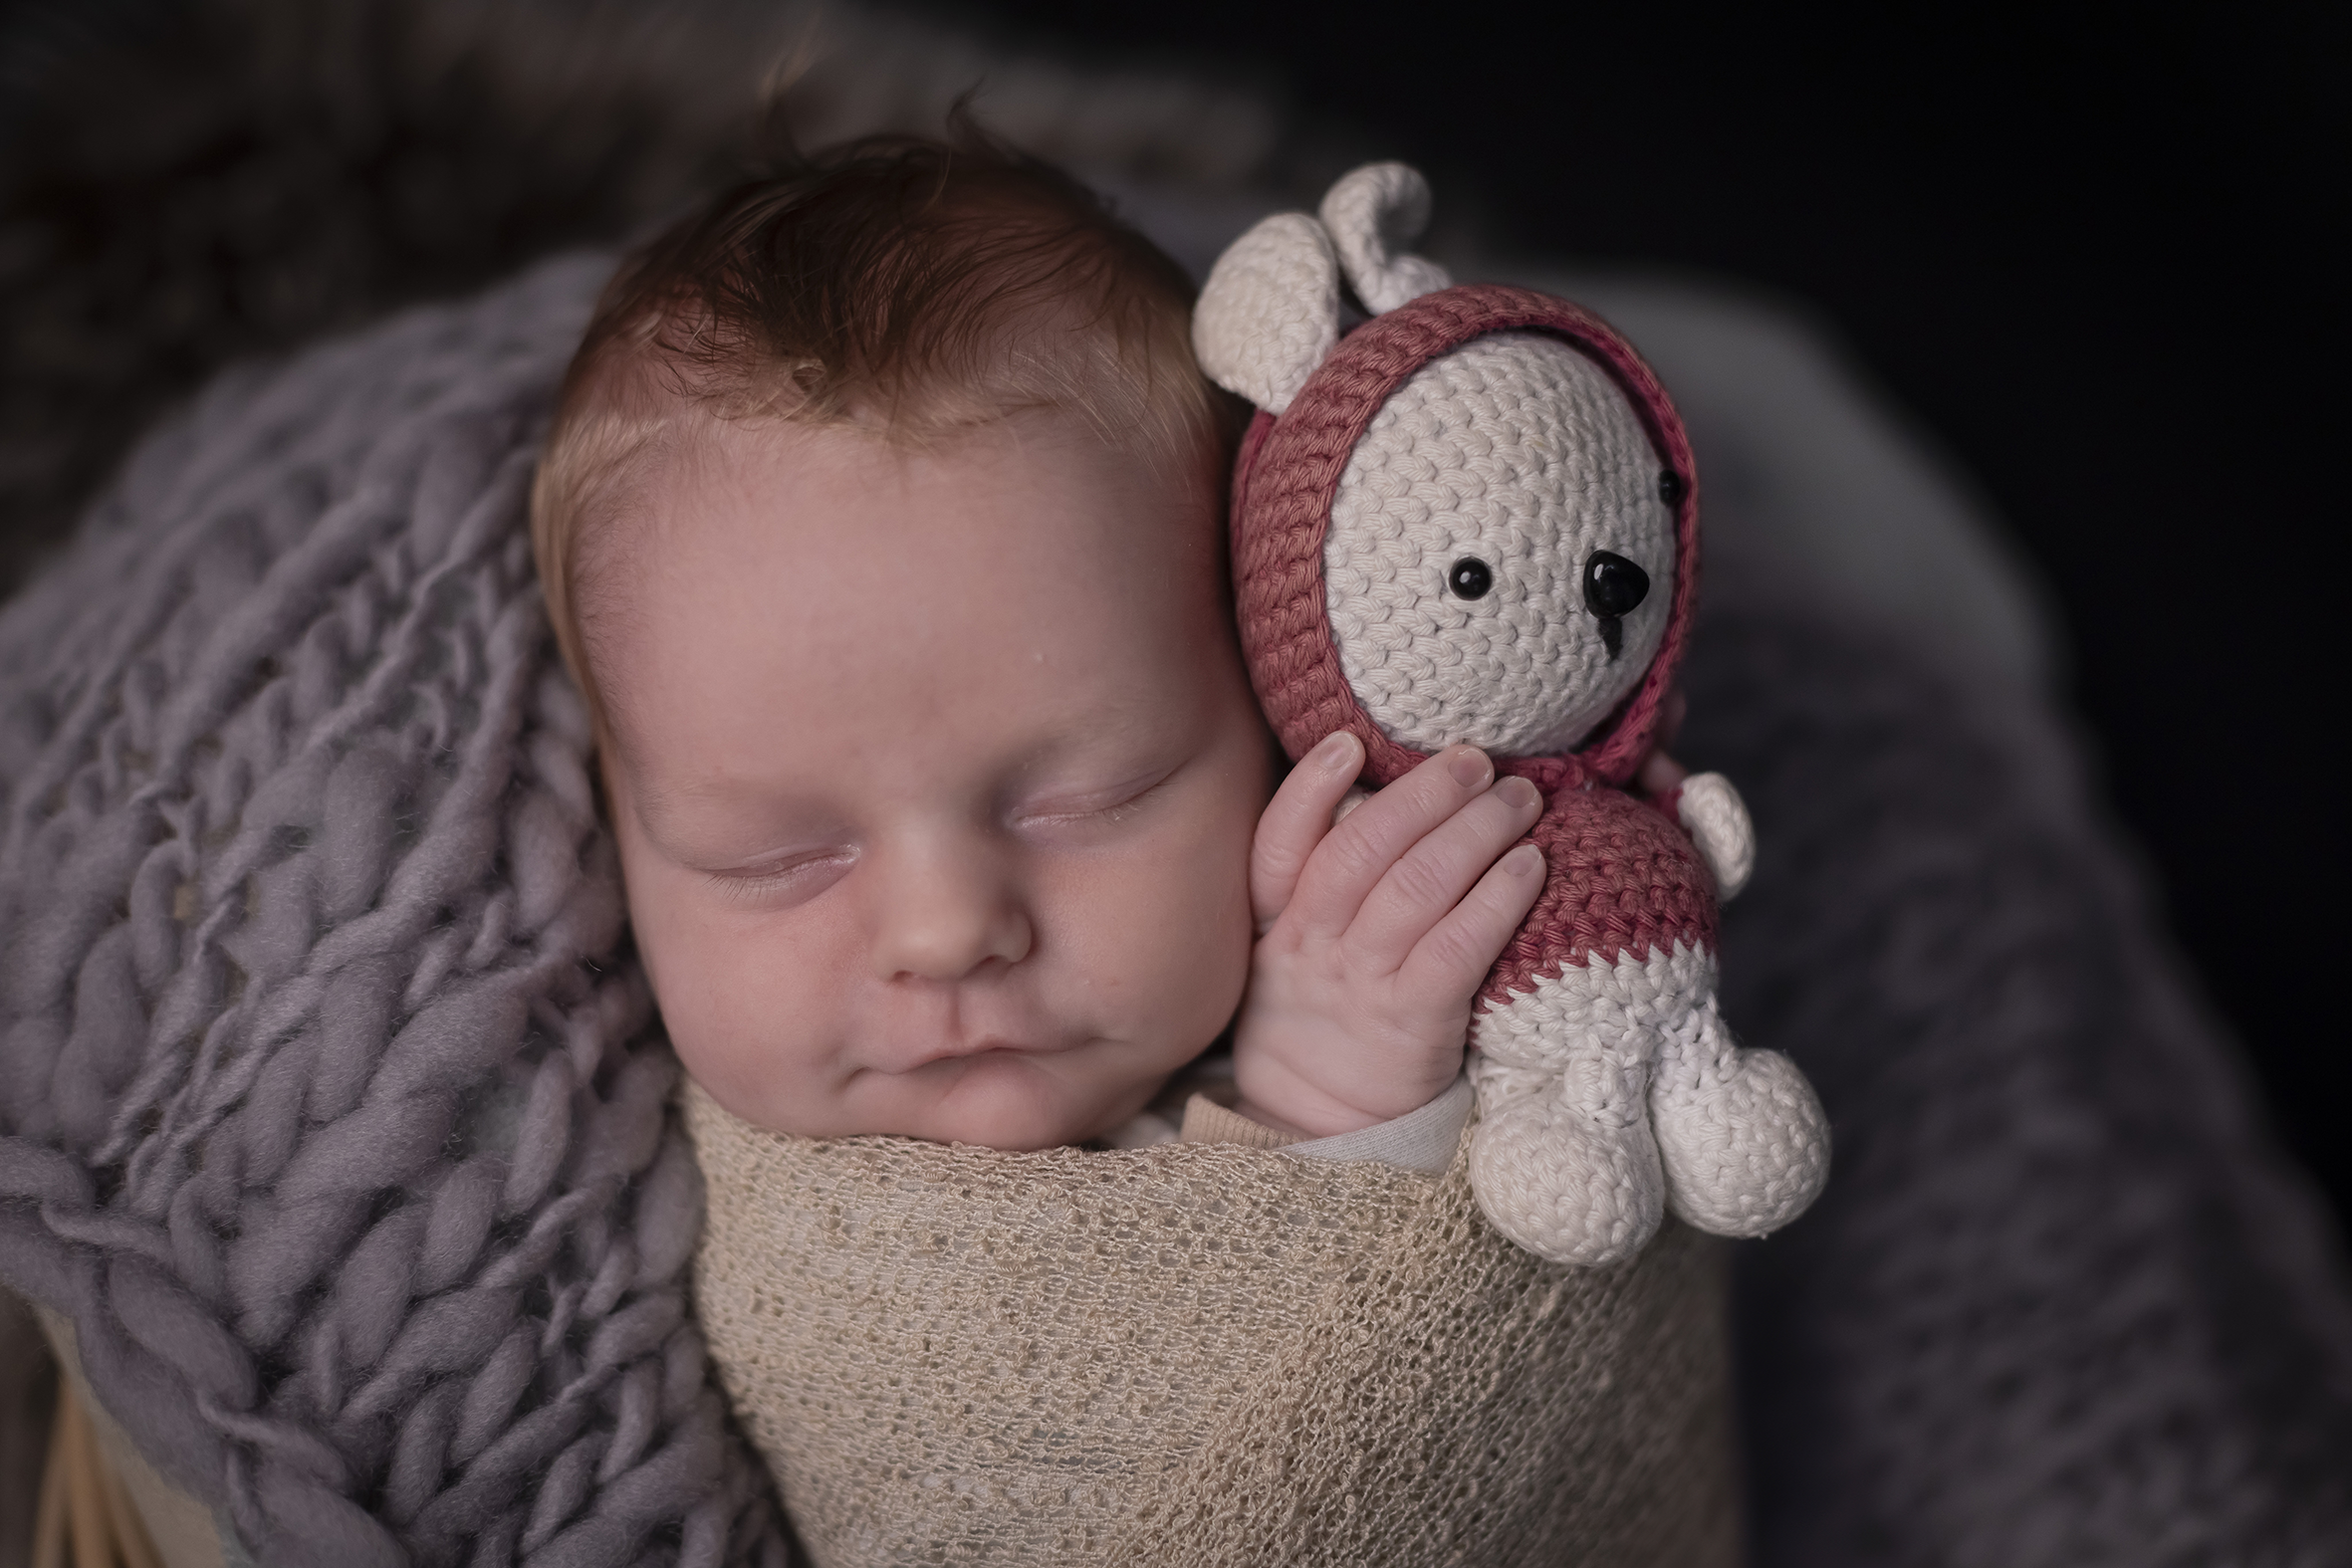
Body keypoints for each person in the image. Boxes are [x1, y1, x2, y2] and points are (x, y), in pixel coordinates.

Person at [528, 125, 1551, 1166]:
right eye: (773, 858)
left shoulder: (1377, 990)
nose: (946, 932)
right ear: (618, 823)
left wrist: (1332, 1098)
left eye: (1091, 798)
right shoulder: (619, 1171)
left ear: (1275, 709)